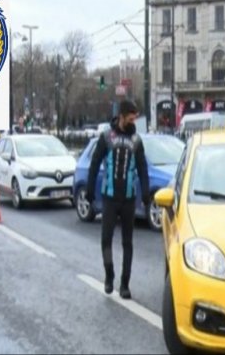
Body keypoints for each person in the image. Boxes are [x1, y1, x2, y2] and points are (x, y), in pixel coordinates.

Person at [86, 100, 150, 299]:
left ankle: (124, 284)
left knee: (127, 243)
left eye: (135, 118)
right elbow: (95, 162)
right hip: (110, 198)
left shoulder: (137, 141)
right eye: (131, 118)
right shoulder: (106, 137)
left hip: (129, 199)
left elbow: (142, 168)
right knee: (106, 239)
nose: (133, 121)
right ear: (121, 116)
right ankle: (109, 275)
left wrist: (146, 193)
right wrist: (90, 190)